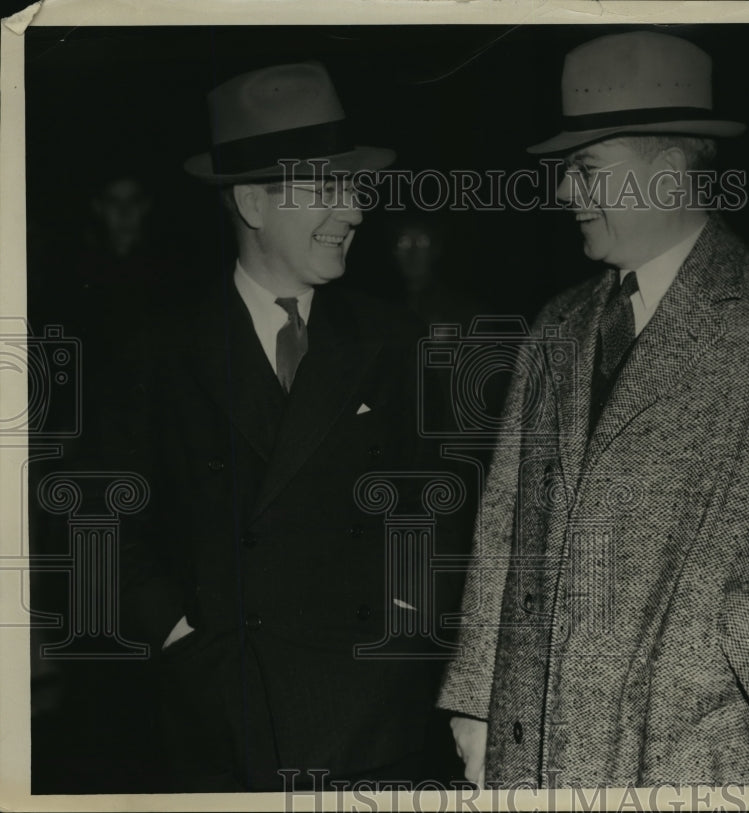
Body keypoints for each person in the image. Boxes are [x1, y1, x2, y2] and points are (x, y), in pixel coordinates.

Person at [438, 31, 749, 787]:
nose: (565, 194)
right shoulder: (555, 327)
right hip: (535, 757)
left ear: (665, 173)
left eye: (586, 170)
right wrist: (476, 704)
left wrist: (716, 659)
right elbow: (504, 531)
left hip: (697, 753)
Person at [114, 61, 467, 791]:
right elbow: (105, 517)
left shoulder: (394, 339)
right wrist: (177, 633)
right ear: (251, 202)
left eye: (354, 187)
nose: (355, 210)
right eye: (326, 189)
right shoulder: (159, 350)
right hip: (219, 724)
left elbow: (445, 505)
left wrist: (403, 626)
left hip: (373, 725)